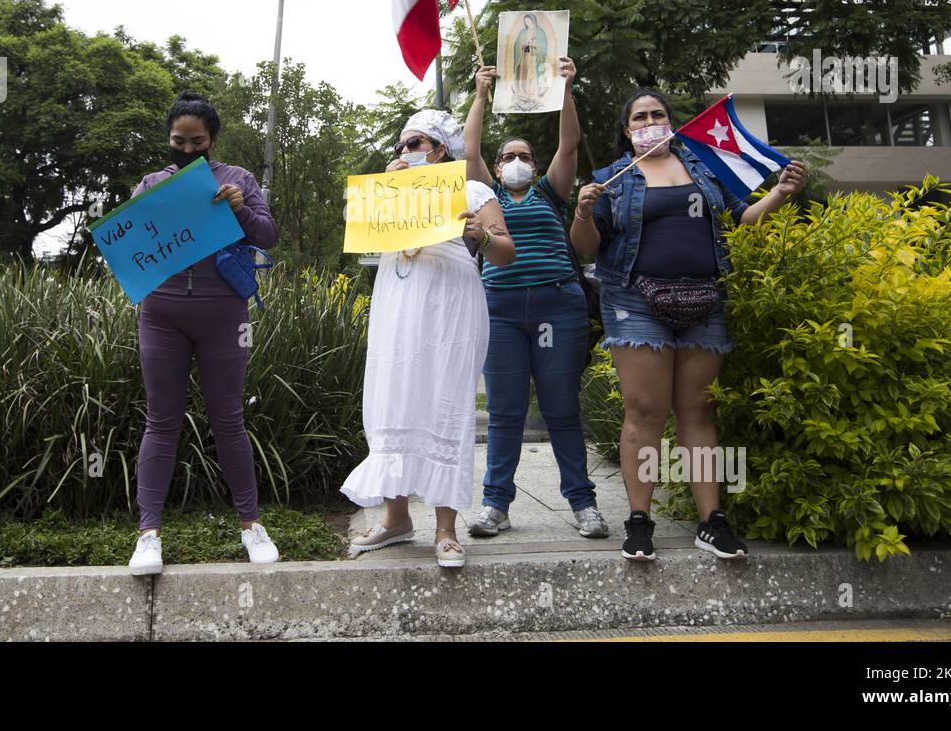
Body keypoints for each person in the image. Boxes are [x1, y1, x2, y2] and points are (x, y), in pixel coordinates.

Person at [570, 88, 806, 562]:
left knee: (698, 413)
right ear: (627, 129)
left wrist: (780, 192)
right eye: (640, 116)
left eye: (658, 114)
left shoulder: (704, 167)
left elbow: (744, 218)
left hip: (705, 300)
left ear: (672, 123)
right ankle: (639, 522)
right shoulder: (611, 179)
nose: (650, 121)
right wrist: (581, 211)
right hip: (635, 302)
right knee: (645, 412)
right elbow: (587, 248)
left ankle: (711, 523)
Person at [342, 109, 516, 568]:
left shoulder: (472, 189)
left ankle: (445, 529)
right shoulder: (387, 189)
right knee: (394, 399)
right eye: (401, 145)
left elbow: (505, 253)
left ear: (440, 149)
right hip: (398, 298)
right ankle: (396, 518)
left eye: (415, 143)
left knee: (445, 404)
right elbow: (362, 236)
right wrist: (384, 188)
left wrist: (478, 233)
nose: (405, 152)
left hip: (451, 302)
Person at [127, 91, 282, 575]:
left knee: (229, 420)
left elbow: (268, 235)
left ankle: (251, 525)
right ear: (168, 140)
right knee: (161, 421)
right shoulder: (151, 183)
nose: (188, 149)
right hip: (162, 313)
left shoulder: (240, 179)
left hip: (223, 312)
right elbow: (130, 243)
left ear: (212, 140)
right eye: (179, 141)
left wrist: (239, 208)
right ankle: (148, 533)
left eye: (197, 141)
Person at [462, 56, 608, 540]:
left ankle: (583, 504)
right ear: (497, 168)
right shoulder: (487, 198)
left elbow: (569, 143)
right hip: (500, 310)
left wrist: (567, 86)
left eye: (524, 154)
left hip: (557, 306)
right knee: (505, 411)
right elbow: (468, 149)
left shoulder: (550, 192)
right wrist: (481, 92)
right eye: (507, 157)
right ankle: (495, 504)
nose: (517, 161)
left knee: (561, 407)